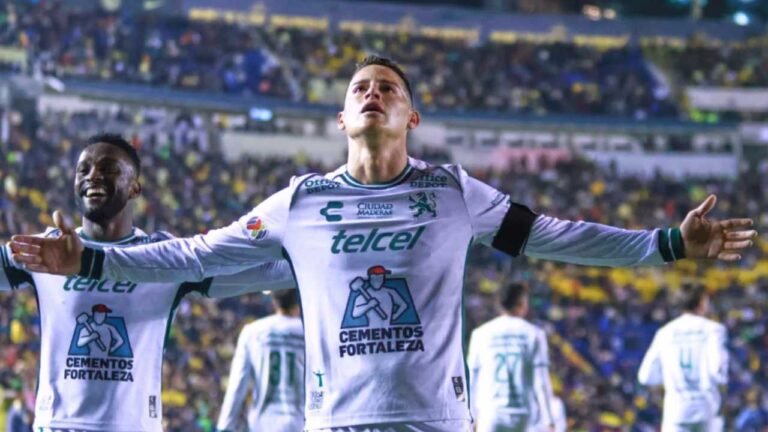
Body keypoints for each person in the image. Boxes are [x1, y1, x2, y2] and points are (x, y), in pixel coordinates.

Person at [10, 56, 756, 432]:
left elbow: (553, 235)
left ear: (411, 117)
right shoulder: (301, 202)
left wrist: (664, 243)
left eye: (388, 88)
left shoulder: (453, 192)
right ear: (341, 120)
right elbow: (195, 254)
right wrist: (92, 260)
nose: (373, 93)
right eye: (360, 88)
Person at [1, 133, 294, 431]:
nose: (93, 175)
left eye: (108, 168)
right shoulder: (45, 250)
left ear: (134, 187)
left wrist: (314, 250)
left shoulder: (164, 257)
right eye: (83, 169)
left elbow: (271, 272)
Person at [638, 285, 728, 432]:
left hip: (676, 410)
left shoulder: (665, 332)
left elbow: (646, 376)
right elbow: (718, 371)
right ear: (701, 302)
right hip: (707, 409)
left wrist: (670, 377)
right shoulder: (714, 330)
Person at [467, 283, 556, 432]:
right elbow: (541, 381)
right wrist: (549, 421)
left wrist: (470, 417)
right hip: (524, 416)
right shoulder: (534, 334)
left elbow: (471, 379)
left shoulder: (480, 334)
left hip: (491, 414)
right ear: (522, 303)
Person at [216, 288, 304, 432]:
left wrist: (225, 425)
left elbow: (238, 381)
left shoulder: (252, 331)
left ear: (274, 301)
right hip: (303, 422)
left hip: (264, 423)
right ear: (298, 303)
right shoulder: (308, 332)